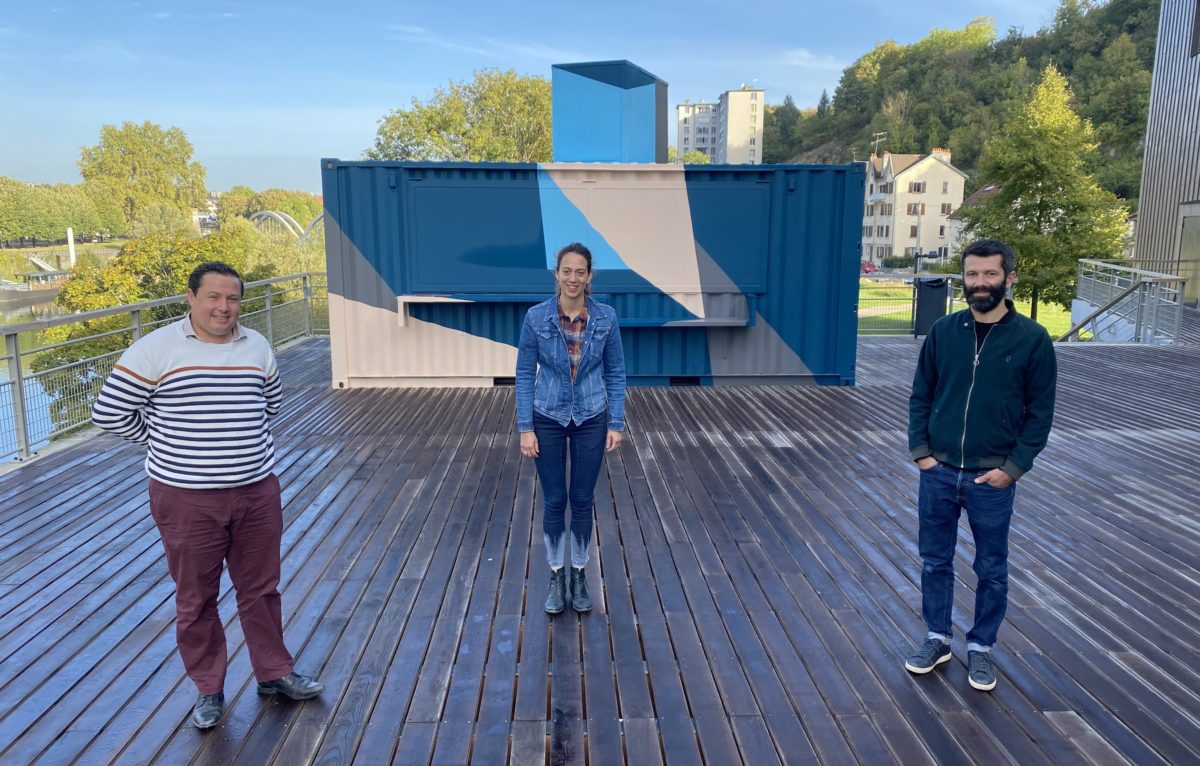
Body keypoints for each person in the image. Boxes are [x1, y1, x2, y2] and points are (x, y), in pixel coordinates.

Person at [92, 262, 323, 729]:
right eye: (214, 297)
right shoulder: (155, 349)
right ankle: (209, 688)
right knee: (196, 595)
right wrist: (164, 439)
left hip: (257, 489)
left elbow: (270, 402)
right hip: (186, 497)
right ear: (192, 299)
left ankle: (274, 673)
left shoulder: (256, 345)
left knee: (261, 589)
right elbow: (109, 413)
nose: (224, 307)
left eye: (233, 298)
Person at [904, 238, 1057, 692]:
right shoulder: (944, 332)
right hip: (939, 471)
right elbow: (920, 396)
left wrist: (1013, 468)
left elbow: (1040, 413)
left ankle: (982, 647)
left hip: (992, 477)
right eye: (972, 275)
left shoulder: (1032, 340)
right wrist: (923, 454)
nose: (980, 284)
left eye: (990, 275)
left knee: (991, 567)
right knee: (935, 561)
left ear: (1009, 278)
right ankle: (937, 638)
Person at [515, 242, 627, 615]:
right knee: (553, 500)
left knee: (582, 499)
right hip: (547, 415)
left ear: (589, 276)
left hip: (591, 417)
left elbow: (615, 372)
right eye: (567, 271)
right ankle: (556, 575)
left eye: (580, 271)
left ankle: (578, 574)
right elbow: (524, 374)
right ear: (557, 273)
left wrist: (616, 422)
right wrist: (525, 427)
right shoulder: (535, 318)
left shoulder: (606, 318)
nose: (573, 278)